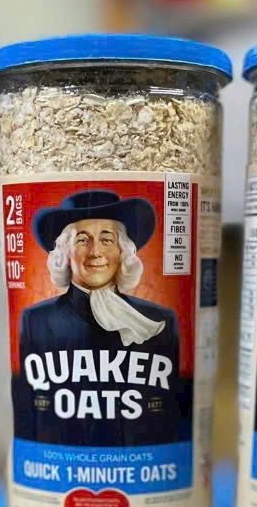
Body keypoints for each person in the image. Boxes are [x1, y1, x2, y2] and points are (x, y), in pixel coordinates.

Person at [13, 189, 184, 446]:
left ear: (122, 251)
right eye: (82, 240)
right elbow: (29, 414)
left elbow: (170, 416)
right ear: (65, 253)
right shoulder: (37, 321)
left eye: (107, 240)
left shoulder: (158, 321)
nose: (95, 252)